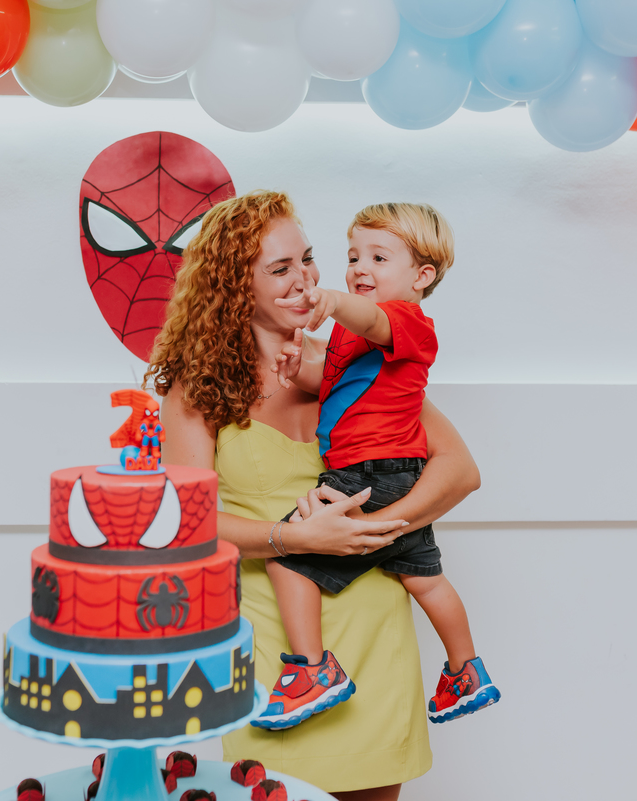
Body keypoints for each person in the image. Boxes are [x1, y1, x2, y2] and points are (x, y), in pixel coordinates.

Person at [146, 190, 481, 801]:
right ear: (232, 285)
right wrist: (294, 538)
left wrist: (376, 529)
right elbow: (185, 525)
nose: (305, 279)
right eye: (280, 268)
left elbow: (458, 469)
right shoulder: (197, 390)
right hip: (279, 659)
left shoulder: (353, 362)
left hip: (376, 632)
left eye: (307, 259)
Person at [254, 203, 498, 731]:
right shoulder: (354, 339)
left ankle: (314, 671)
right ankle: (466, 669)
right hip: (398, 473)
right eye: (353, 256)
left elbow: (371, 318)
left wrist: (335, 302)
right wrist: (299, 372)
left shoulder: (405, 321)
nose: (360, 267)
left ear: (421, 276)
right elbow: (340, 387)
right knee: (425, 581)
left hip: (364, 475)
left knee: (285, 559)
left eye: (378, 258)